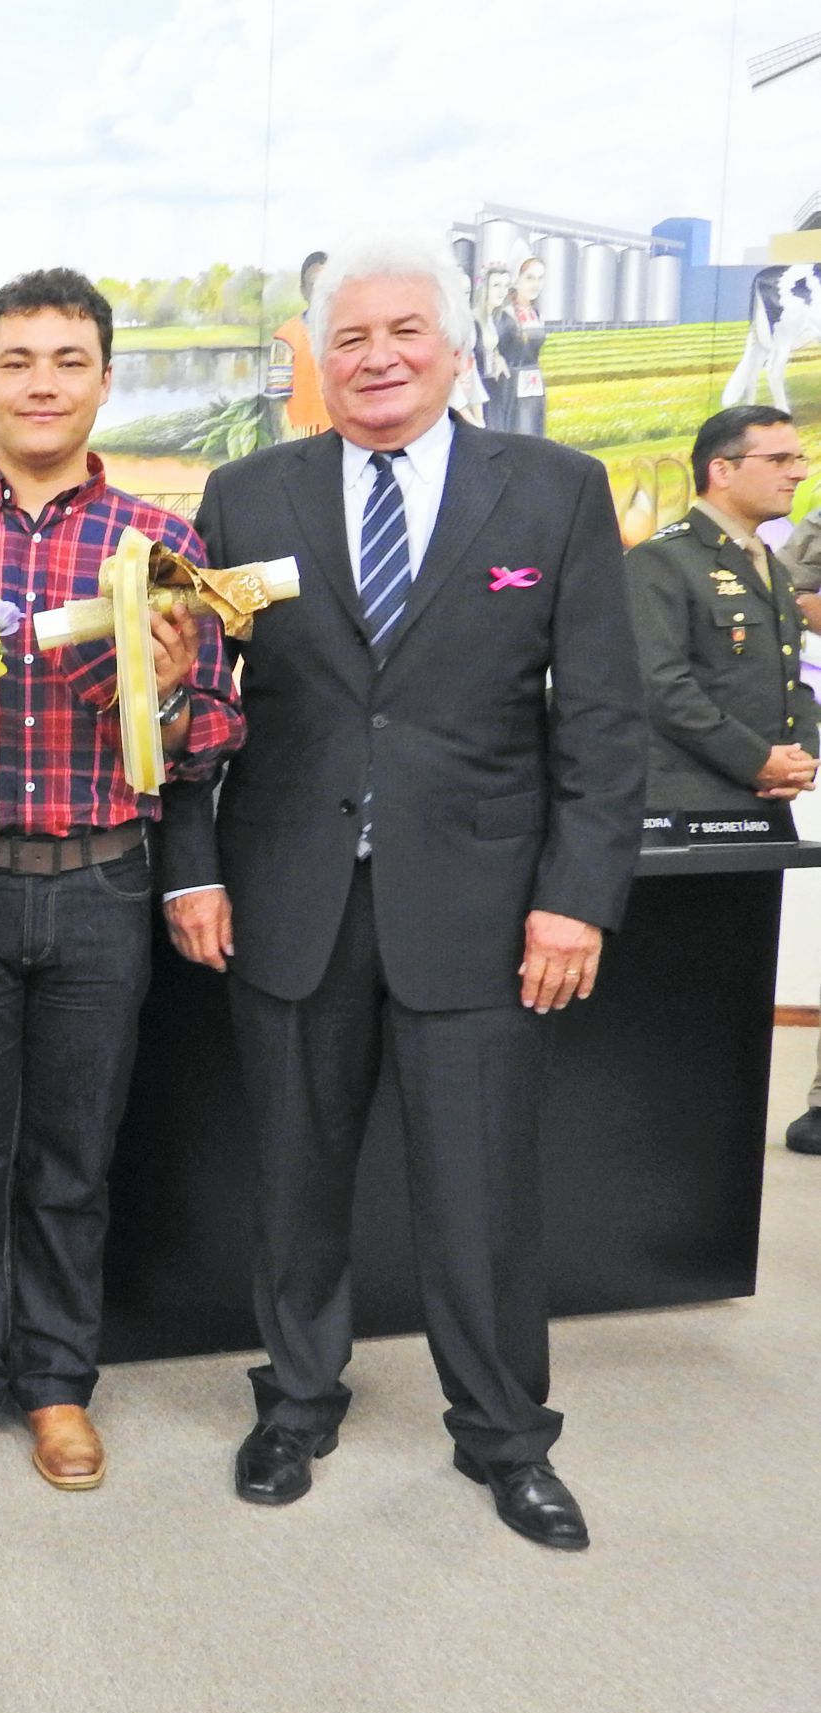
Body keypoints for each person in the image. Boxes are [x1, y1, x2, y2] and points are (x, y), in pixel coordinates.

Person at [158, 236, 645, 1550]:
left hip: (484, 907)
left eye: (403, 331)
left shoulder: (551, 490)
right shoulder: (244, 496)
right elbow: (194, 700)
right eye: (349, 339)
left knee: (479, 1190)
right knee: (293, 1174)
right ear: (317, 362)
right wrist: (190, 863)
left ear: (454, 347)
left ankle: (503, 1436)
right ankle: (294, 1403)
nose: (376, 358)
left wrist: (576, 898)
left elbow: (602, 718)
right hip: (285, 892)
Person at [0, 269, 244, 1493]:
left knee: (74, 1158)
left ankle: (58, 1381)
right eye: (17, 360)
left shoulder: (161, 546)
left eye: (67, 360)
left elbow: (211, 736)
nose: (41, 383)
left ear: (103, 381)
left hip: (100, 887)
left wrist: (170, 692)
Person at [624, 404, 814, 817]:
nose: (798, 473)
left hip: (765, 801)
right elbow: (662, 687)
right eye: (779, 460)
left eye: (799, 459)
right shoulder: (662, 560)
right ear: (722, 470)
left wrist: (801, 757)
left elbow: (787, 677)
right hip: (691, 806)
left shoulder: (768, 564)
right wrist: (757, 761)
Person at [266, 251, 332, 440]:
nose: (320, 294)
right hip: (303, 440)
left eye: (326, 286)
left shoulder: (350, 332)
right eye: (314, 286)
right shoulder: (286, 337)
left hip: (345, 440)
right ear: (303, 290)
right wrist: (288, 444)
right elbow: (277, 403)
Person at [495, 257, 549, 437]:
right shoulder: (504, 315)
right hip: (512, 386)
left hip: (534, 384)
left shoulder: (536, 313)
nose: (536, 284)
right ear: (517, 280)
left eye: (540, 278)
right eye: (530, 278)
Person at [475, 264, 515, 432]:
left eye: (506, 286)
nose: (502, 291)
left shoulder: (497, 318)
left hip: (493, 387)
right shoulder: (473, 319)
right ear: (485, 288)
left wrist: (499, 358)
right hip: (478, 390)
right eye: (496, 285)